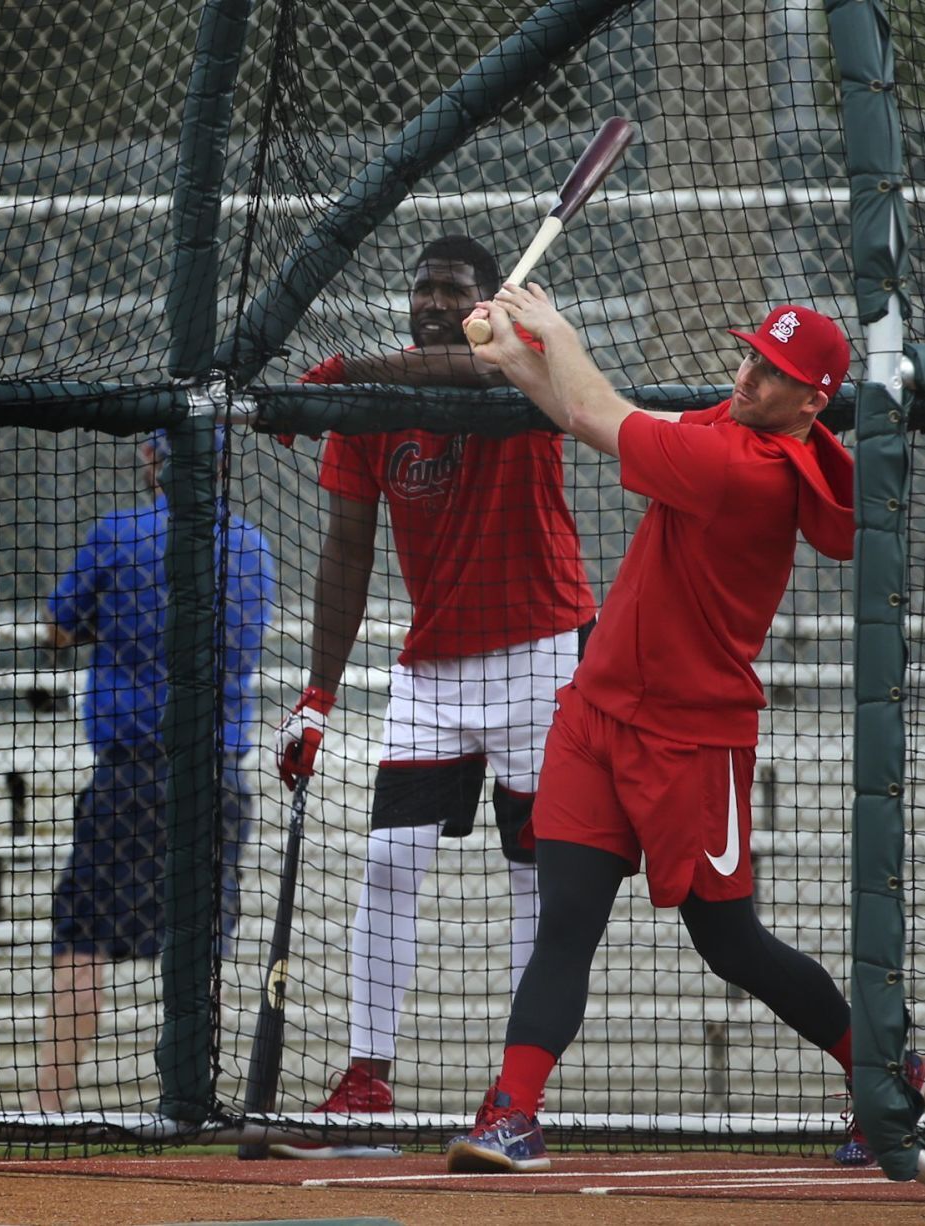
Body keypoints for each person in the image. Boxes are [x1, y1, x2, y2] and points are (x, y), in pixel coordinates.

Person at [444, 285, 925, 1173]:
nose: (746, 375)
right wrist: (517, 359)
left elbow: (596, 415)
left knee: (730, 945)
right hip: (596, 717)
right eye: (751, 355)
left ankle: (884, 1071)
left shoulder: (747, 470)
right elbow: (591, 415)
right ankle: (512, 1112)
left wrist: (552, 328)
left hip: (692, 741)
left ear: (812, 403)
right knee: (566, 925)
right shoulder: (728, 428)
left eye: (772, 372)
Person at [269, 236, 596, 1158]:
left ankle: (515, 1099)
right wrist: (319, 695)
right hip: (433, 668)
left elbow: (488, 365)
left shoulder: (523, 362)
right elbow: (346, 549)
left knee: (533, 875)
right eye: (421, 289)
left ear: (487, 304)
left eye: (453, 290)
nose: (433, 302)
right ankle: (366, 1082)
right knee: (388, 862)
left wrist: (351, 371)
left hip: (541, 651)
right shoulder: (373, 410)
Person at [33, 429, 274, 1111]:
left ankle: (48, 1109)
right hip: (219, 779)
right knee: (200, 946)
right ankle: (194, 1100)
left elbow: (57, 631)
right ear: (221, 464)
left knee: (81, 940)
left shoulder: (119, 534)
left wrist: (108, 626)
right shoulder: (251, 547)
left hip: (132, 776)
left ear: (152, 459)